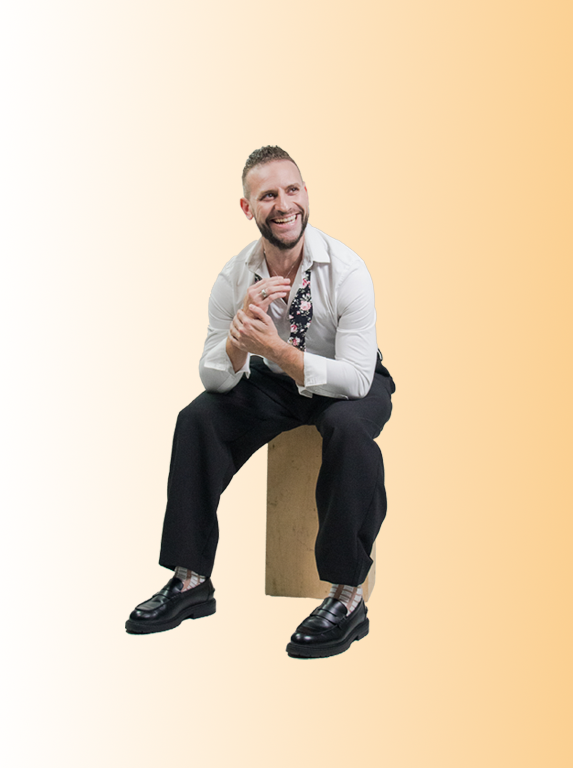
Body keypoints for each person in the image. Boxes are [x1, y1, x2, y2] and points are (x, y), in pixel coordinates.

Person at [125, 146, 395, 659]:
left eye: (292, 190)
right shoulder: (234, 277)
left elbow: (357, 379)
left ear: (306, 196)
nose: (284, 204)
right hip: (273, 379)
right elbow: (212, 375)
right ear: (248, 208)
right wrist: (237, 341)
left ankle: (346, 594)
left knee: (348, 429)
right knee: (198, 419)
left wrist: (279, 351)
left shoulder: (348, 270)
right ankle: (190, 581)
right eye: (268, 195)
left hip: (348, 379)